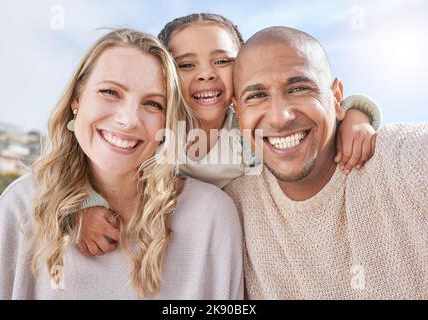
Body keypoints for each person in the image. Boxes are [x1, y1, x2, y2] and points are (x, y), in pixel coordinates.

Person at [78, 13, 382, 258]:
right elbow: (90, 161)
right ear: (166, 74)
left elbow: (325, 109)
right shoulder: (158, 131)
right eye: (186, 65)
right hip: (181, 247)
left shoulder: (251, 127)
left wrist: (358, 116)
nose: (206, 74)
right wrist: (87, 204)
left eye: (222, 61)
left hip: (247, 247)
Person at [0, 29, 243, 300]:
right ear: (77, 99)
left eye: (153, 104)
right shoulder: (21, 207)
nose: (128, 119)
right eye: (110, 92)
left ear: (167, 120)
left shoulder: (211, 216)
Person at [224, 26, 428, 299]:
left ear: (336, 97)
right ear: (238, 112)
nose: (279, 117)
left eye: (299, 88)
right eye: (257, 96)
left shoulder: (401, 160)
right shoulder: (232, 208)